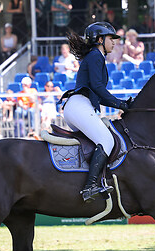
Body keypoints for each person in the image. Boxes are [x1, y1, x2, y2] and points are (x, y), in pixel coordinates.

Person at [63, 22, 131, 202]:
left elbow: (98, 93)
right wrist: (121, 104)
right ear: (100, 40)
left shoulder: (96, 56)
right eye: (111, 38)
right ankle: (90, 187)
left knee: (102, 139)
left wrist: (122, 104)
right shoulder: (95, 56)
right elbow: (98, 88)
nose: (114, 42)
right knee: (106, 140)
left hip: (80, 107)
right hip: (79, 106)